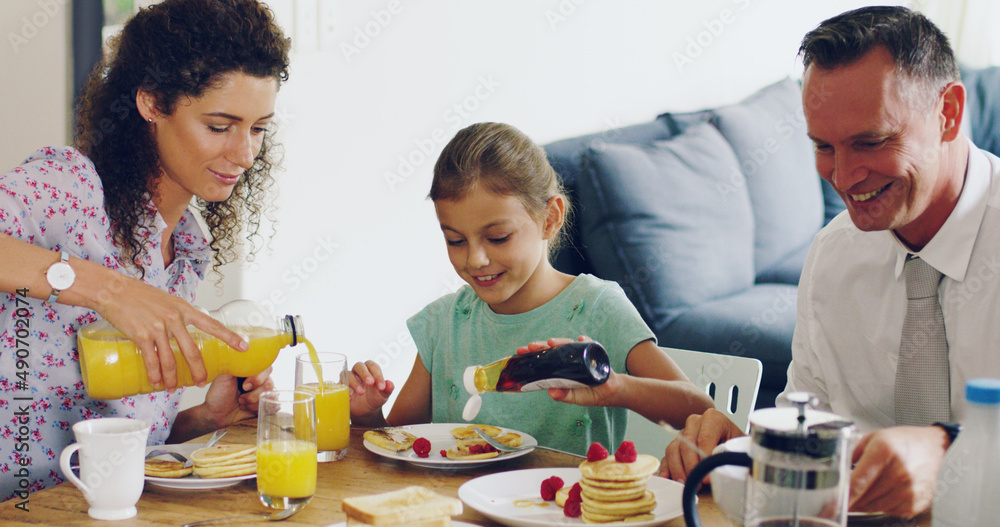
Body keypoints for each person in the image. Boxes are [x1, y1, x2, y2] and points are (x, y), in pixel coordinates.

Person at [660, 5, 1000, 519]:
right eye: (823, 147)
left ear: (948, 113)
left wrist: (954, 455)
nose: (842, 176)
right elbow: (808, 420)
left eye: (871, 141)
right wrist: (747, 450)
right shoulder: (833, 256)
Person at [0, 0, 290, 501]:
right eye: (220, 126)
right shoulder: (69, 189)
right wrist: (108, 290)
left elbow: (119, 443)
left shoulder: (187, 251)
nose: (244, 154)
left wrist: (203, 419)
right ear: (151, 103)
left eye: (258, 128)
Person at [348, 122, 713, 455]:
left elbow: (699, 408)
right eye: (456, 240)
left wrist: (617, 386)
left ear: (550, 218)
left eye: (497, 237)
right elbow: (398, 444)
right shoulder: (444, 324)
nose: (475, 259)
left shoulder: (597, 308)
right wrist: (369, 415)